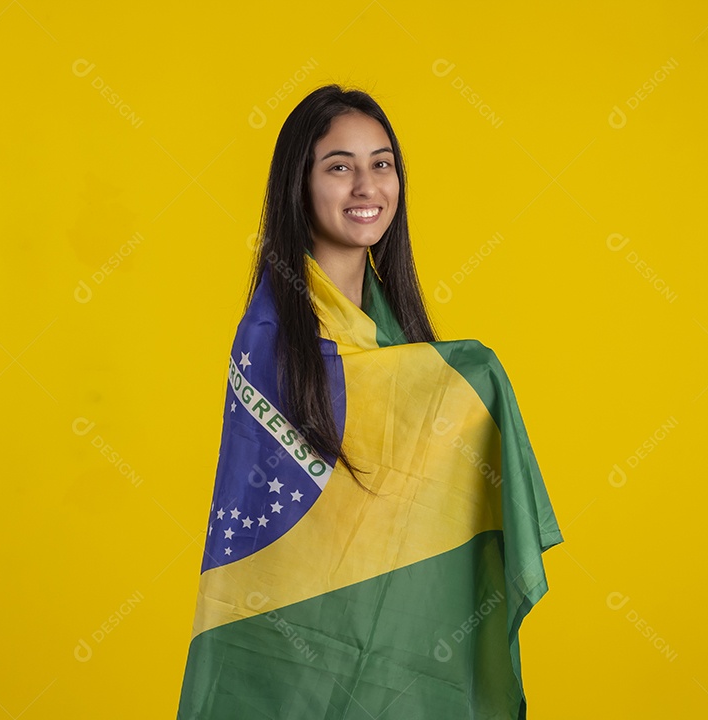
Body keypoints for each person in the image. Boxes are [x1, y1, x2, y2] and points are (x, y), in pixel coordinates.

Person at [176, 84, 563, 719]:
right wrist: (478, 372)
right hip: (292, 659)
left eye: (381, 164)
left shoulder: (399, 340)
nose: (366, 186)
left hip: (396, 659)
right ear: (298, 186)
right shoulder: (273, 338)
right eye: (339, 166)